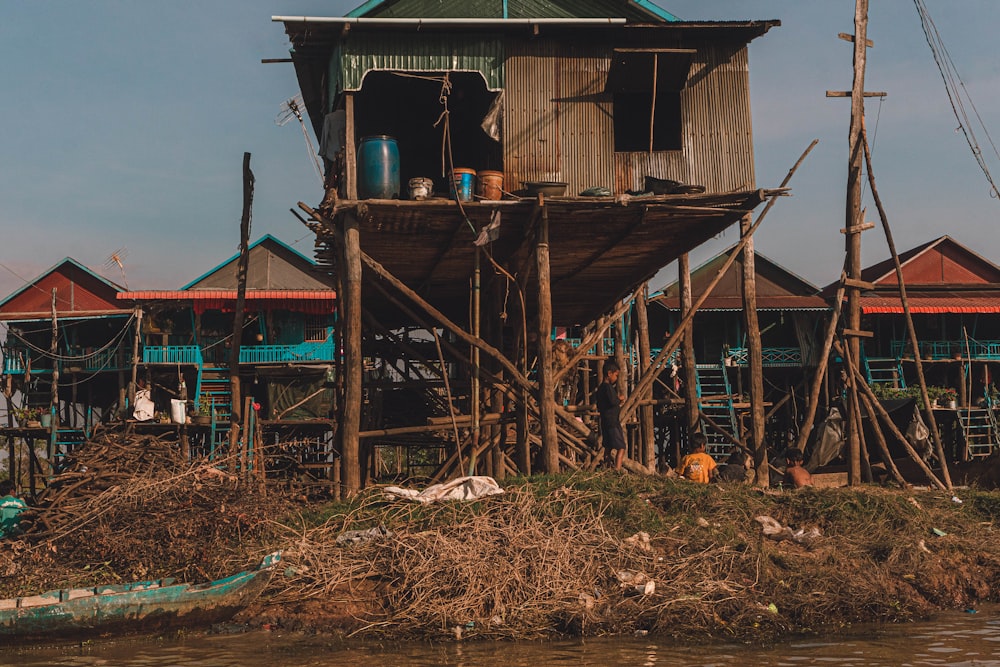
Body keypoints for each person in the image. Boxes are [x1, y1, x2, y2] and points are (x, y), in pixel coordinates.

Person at [596, 360, 627, 470]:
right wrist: (620, 399)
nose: (616, 378)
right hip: (612, 422)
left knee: (608, 447)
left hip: (605, 421)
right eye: (616, 375)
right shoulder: (607, 387)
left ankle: (607, 467)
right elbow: (613, 401)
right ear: (609, 373)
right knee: (621, 447)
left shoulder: (600, 388)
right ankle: (617, 470)